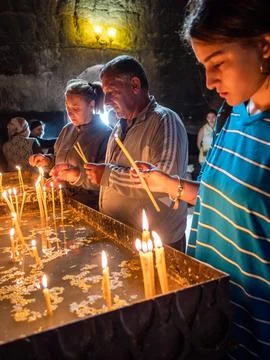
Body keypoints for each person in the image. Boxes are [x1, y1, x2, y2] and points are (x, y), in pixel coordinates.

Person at [133, 0, 270, 358]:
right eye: (203, 67)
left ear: (265, 46)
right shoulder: (235, 113)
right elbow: (227, 199)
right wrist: (169, 185)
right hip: (219, 324)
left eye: (218, 63)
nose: (209, 82)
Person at [81, 55, 188, 251]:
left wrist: (108, 175)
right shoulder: (118, 128)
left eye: (111, 92)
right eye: (104, 93)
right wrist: (82, 175)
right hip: (122, 237)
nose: (105, 101)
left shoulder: (164, 121)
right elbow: (107, 178)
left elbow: (164, 183)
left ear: (135, 85)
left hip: (158, 243)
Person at [29, 79, 111, 209]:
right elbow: (57, 158)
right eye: (67, 108)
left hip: (89, 207)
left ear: (91, 105)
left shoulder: (106, 134)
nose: (70, 113)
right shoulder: (67, 129)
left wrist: (77, 175)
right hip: (61, 202)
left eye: (76, 108)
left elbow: (108, 179)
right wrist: (47, 160)